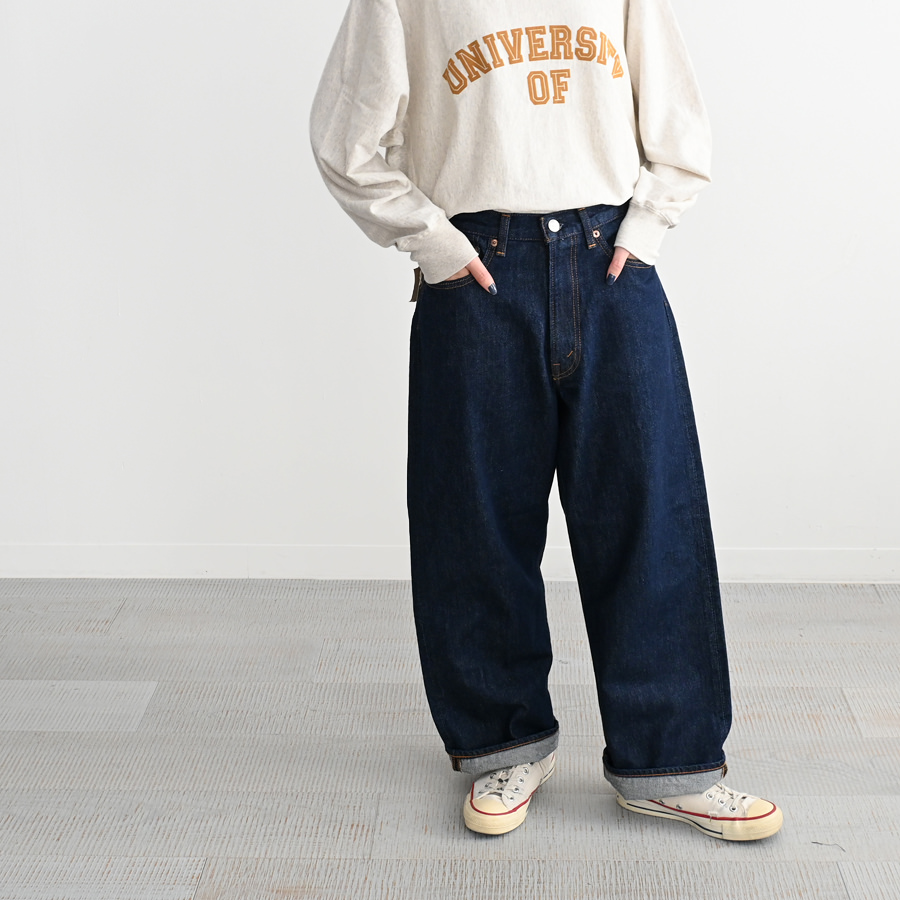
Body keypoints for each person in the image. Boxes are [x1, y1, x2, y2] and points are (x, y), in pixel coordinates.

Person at [309, 0, 783, 842]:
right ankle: (504, 744)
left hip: (611, 264)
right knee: (476, 524)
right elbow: (345, 135)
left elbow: (677, 118)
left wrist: (650, 222)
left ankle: (669, 763)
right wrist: (433, 243)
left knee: (651, 516)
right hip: (475, 273)